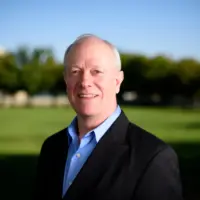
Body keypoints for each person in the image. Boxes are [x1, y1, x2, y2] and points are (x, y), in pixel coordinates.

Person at [33, 34, 183, 200]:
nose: (84, 81)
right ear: (66, 80)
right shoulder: (52, 147)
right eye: (75, 71)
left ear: (117, 82)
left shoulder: (153, 157)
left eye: (96, 71)